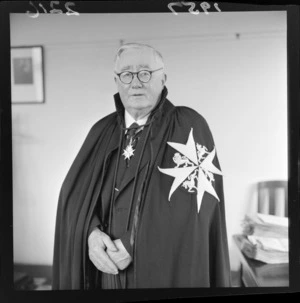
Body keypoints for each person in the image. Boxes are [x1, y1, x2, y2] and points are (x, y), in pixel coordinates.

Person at [52, 43, 231, 289]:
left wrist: (134, 242)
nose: (136, 82)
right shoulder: (101, 131)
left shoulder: (188, 125)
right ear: (116, 81)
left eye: (145, 72)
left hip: (164, 272)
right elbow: (74, 199)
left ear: (163, 79)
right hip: (106, 273)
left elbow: (196, 208)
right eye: (126, 74)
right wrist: (91, 234)